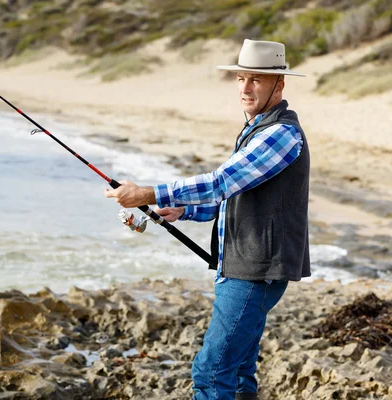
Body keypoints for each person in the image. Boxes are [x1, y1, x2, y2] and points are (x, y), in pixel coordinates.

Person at [104, 39, 310, 400]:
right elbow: (238, 197)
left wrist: (148, 194)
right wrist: (184, 210)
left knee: (211, 371)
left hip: (255, 270)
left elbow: (220, 183)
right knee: (241, 368)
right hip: (244, 265)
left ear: (280, 84)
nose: (245, 88)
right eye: (241, 78)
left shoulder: (280, 134)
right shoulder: (258, 128)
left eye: (256, 80)